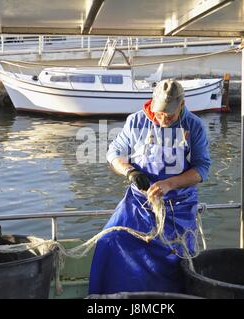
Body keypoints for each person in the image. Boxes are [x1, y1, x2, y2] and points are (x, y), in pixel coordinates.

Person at [88, 79, 211, 294]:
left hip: (178, 206)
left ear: (182, 104)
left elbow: (202, 169)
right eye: (159, 113)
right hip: (138, 203)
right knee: (109, 241)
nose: (163, 118)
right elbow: (113, 154)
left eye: (169, 114)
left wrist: (169, 184)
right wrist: (130, 172)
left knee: (176, 256)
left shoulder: (194, 126)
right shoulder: (136, 121)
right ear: (152, 103)